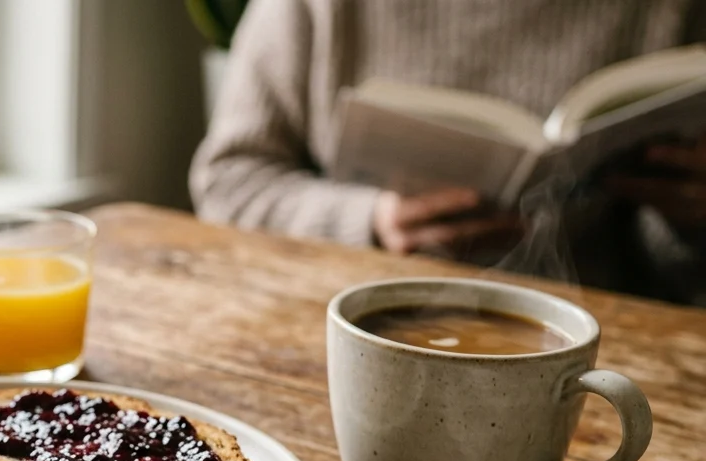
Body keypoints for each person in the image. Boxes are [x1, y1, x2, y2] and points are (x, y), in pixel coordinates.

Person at [190, 0, 706, 305]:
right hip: (345, 315)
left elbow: (662, 274)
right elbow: (229, 180)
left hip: (598, 333)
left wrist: (689, 220)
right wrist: (370, 221)